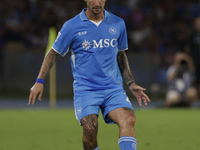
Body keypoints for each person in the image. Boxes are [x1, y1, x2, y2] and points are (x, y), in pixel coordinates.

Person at [28, 0, 150, 150]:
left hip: (113, 88)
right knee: (90, 130)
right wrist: (39, 81)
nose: (97, 3)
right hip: (86, 90)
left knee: (129, 119)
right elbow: (53, 53)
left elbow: (120, 55)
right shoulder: (72, 26)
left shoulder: (118, 23)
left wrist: (131, 83)